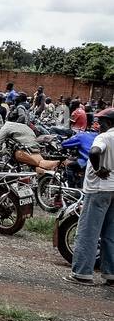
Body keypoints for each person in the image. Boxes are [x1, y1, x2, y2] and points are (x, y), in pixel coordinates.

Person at [69, 108, 114, 285]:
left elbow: (94, 152)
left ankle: (82, 273)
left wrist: (97, 168)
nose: (98, 125)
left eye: (101, 122)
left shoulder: (104, 137)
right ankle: (110, 274)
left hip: (98, 190)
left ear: (109, 123)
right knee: (110, 234)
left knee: (88, 232)